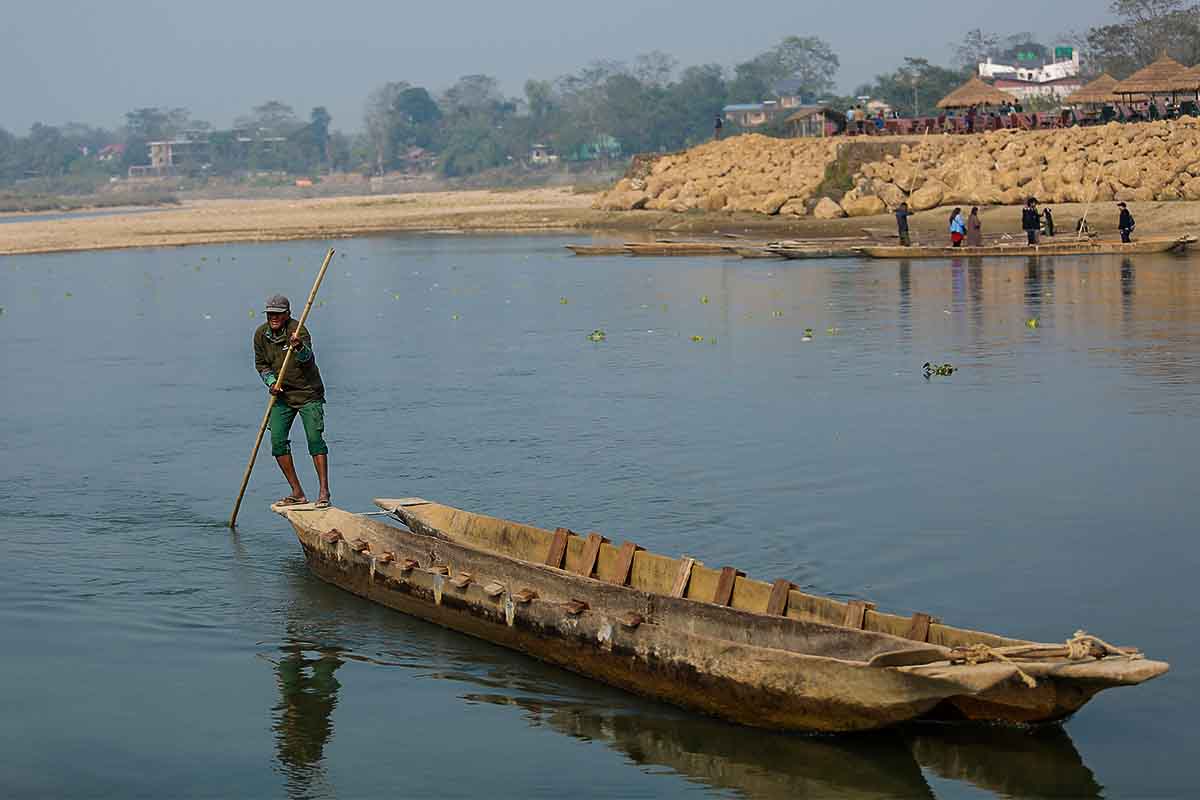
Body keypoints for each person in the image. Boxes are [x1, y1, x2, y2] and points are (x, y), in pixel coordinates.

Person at [254, 294, 331, 508]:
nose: (274, 317)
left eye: (278, 314)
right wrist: (271, 382)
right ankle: (297, 492)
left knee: (314, 439)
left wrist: (298, 347)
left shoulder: (299, 331)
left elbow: (308, 360)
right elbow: (261, 364)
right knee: (277, 442)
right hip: (282, 396)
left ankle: (324, 492)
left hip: (308, 393)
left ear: (287, 314)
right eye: (271, 314)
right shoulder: (261, 335)